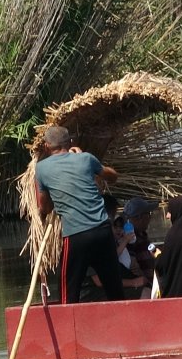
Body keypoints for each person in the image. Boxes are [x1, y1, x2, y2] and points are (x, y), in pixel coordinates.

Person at [34, 125, 124, 303]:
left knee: (69, 292)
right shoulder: (86, 159)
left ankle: (68, 326)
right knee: (114, 287)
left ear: (46, 146)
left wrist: (43, 217)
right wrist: (82, 157)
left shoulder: (42, 168)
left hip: (76, 235)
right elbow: (112, 177)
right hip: (103, 231)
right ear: (70, 143)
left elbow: (44, 206)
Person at [123, 197, 160, 287]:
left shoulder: (142, 235)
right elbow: (134, 267)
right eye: (148, 214)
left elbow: (155, 252)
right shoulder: (130, 239)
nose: (150, 218)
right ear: (139, 218)